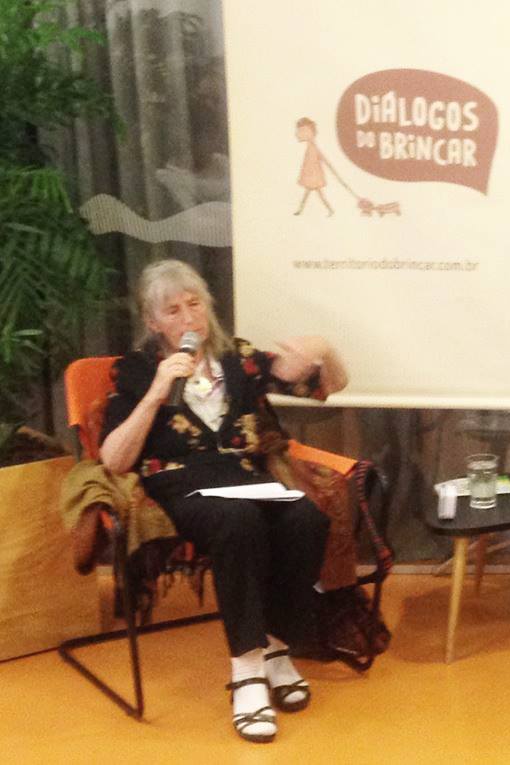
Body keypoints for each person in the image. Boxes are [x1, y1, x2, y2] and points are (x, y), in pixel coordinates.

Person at [100, 259, 348, 743]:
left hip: (244, 476)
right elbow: (114, 458)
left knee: (305, 517)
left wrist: (324, 350)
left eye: (194, 304)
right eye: (172, 310)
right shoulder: (134, 371)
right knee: (237, 522)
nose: (188, 318)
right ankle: (247, 671)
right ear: (153, 322)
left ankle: (276, 647)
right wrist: (156, 392)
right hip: (180, 480)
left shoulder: (239, 358)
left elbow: (328, 386)